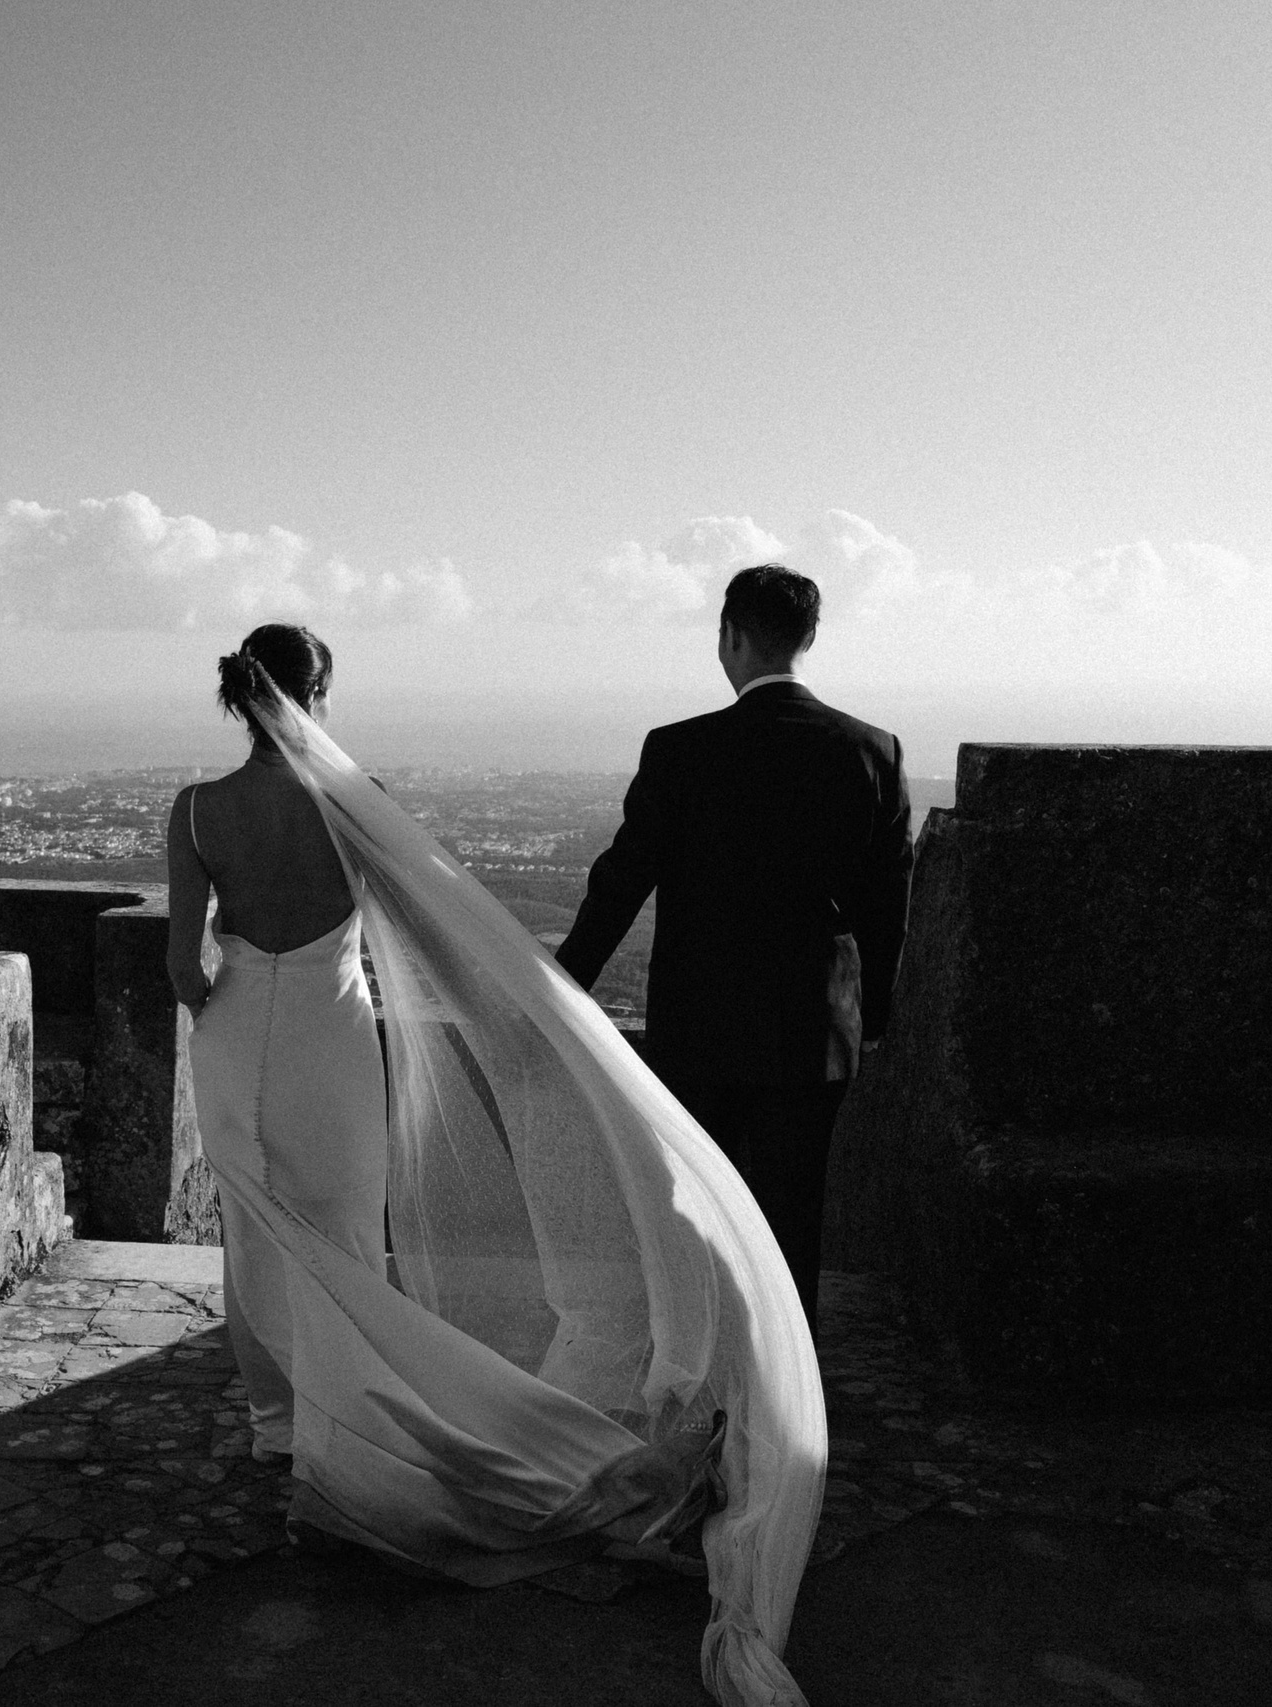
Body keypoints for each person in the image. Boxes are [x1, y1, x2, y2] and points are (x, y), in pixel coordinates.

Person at [166, 622, 828, 1707]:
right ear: (319, 693)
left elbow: (180, 968)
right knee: (348, 1231)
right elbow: (435, 928)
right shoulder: (353, 799)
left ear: (237, 695)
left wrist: (232, 994)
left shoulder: (196, 809)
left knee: (256, 1236)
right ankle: (353, 1430)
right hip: (334, 1041)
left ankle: (274, 1425)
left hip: (236, 1039)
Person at [554, 565, 915, 1324]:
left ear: (730, 637)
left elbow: (621, 882)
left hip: (699, 1024)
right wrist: (874, 1018)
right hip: (814, 1030)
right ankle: (790, 1374)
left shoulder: (679, 750)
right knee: (794, 1217)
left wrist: (564, 984)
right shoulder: (872, 751)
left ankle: (706, 1360)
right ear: (810, 638)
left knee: (697, 1211)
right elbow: (888, 906)